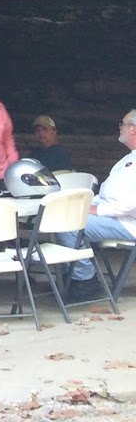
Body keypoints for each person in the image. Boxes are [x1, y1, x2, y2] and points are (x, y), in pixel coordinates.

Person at [63, 108, 136, 301]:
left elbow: (131, 203)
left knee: (69, 225)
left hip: (129, 223)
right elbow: (107, 192)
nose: (119, 128)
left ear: (133, 129)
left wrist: (98, 210)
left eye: (123, 124)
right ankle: (73, 276)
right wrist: (86, 203)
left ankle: (85, 281)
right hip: (116, 216)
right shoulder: (127, 159)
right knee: (65, 217)